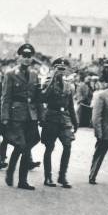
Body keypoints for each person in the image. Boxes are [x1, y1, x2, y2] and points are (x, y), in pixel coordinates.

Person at [0, 43, 44, 191]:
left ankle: (18, 177)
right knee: (21, 146)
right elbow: (5, 97)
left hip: (31, 116)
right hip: (16, 115)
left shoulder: (34, 75)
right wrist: (5, 117)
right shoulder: (10, 74)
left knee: (27, 145)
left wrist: (41, 116)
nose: (26, 59)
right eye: (24, 56)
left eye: (29, 56)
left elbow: (37, 98)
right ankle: (16, 175)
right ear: (18, 57)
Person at [40, 58, 78, 188]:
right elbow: (43, 97)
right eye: (58, 69)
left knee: (67, 145)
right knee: (49, 147)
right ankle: (48, 177)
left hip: (64, 118)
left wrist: (75, 121)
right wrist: (52, 81)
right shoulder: (47, 82)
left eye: (63, 69)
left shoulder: (69, 86)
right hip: (51, 117)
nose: (61, 71)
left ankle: (62, 176)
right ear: (53, 69)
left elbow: (71, 105)